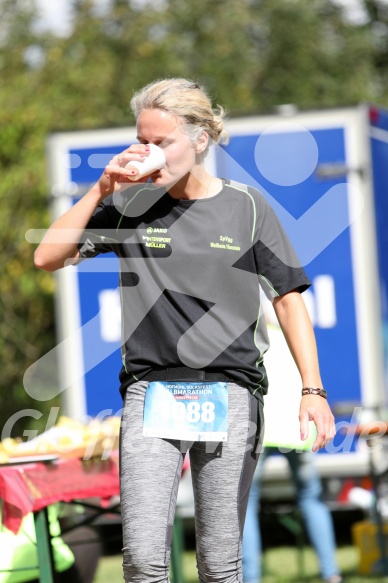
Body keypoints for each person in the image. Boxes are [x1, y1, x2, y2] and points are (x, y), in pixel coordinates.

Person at [34, 77, 336, 583]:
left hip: (232, 390)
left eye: (162, 141)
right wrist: (102, 188)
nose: (148, 151)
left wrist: (312, 389)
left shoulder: (248, 207)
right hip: (150, 391)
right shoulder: (128, 207)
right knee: (142, 559)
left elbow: (288, 299)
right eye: (142, 140)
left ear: (200, 140)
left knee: (219, 563)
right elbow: (47, 256)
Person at [242, 324, 342, 583]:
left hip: (257, 426)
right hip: (298, 427)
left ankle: (249, 579)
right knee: (311, 498)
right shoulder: (298, 334)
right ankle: (331, 574)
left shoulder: (249, 332)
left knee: (246, 505)